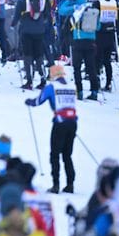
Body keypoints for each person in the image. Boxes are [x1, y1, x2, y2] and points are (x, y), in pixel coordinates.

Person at [25, 64, 77, 193]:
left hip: (59, 123)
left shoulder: (51, 87)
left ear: (53, 75)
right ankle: (70, 184)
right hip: (72, 122)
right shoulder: (71, 86)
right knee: (67, 155)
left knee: (55, 154)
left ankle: (56, 185)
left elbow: (38, 101)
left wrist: (29, 102)